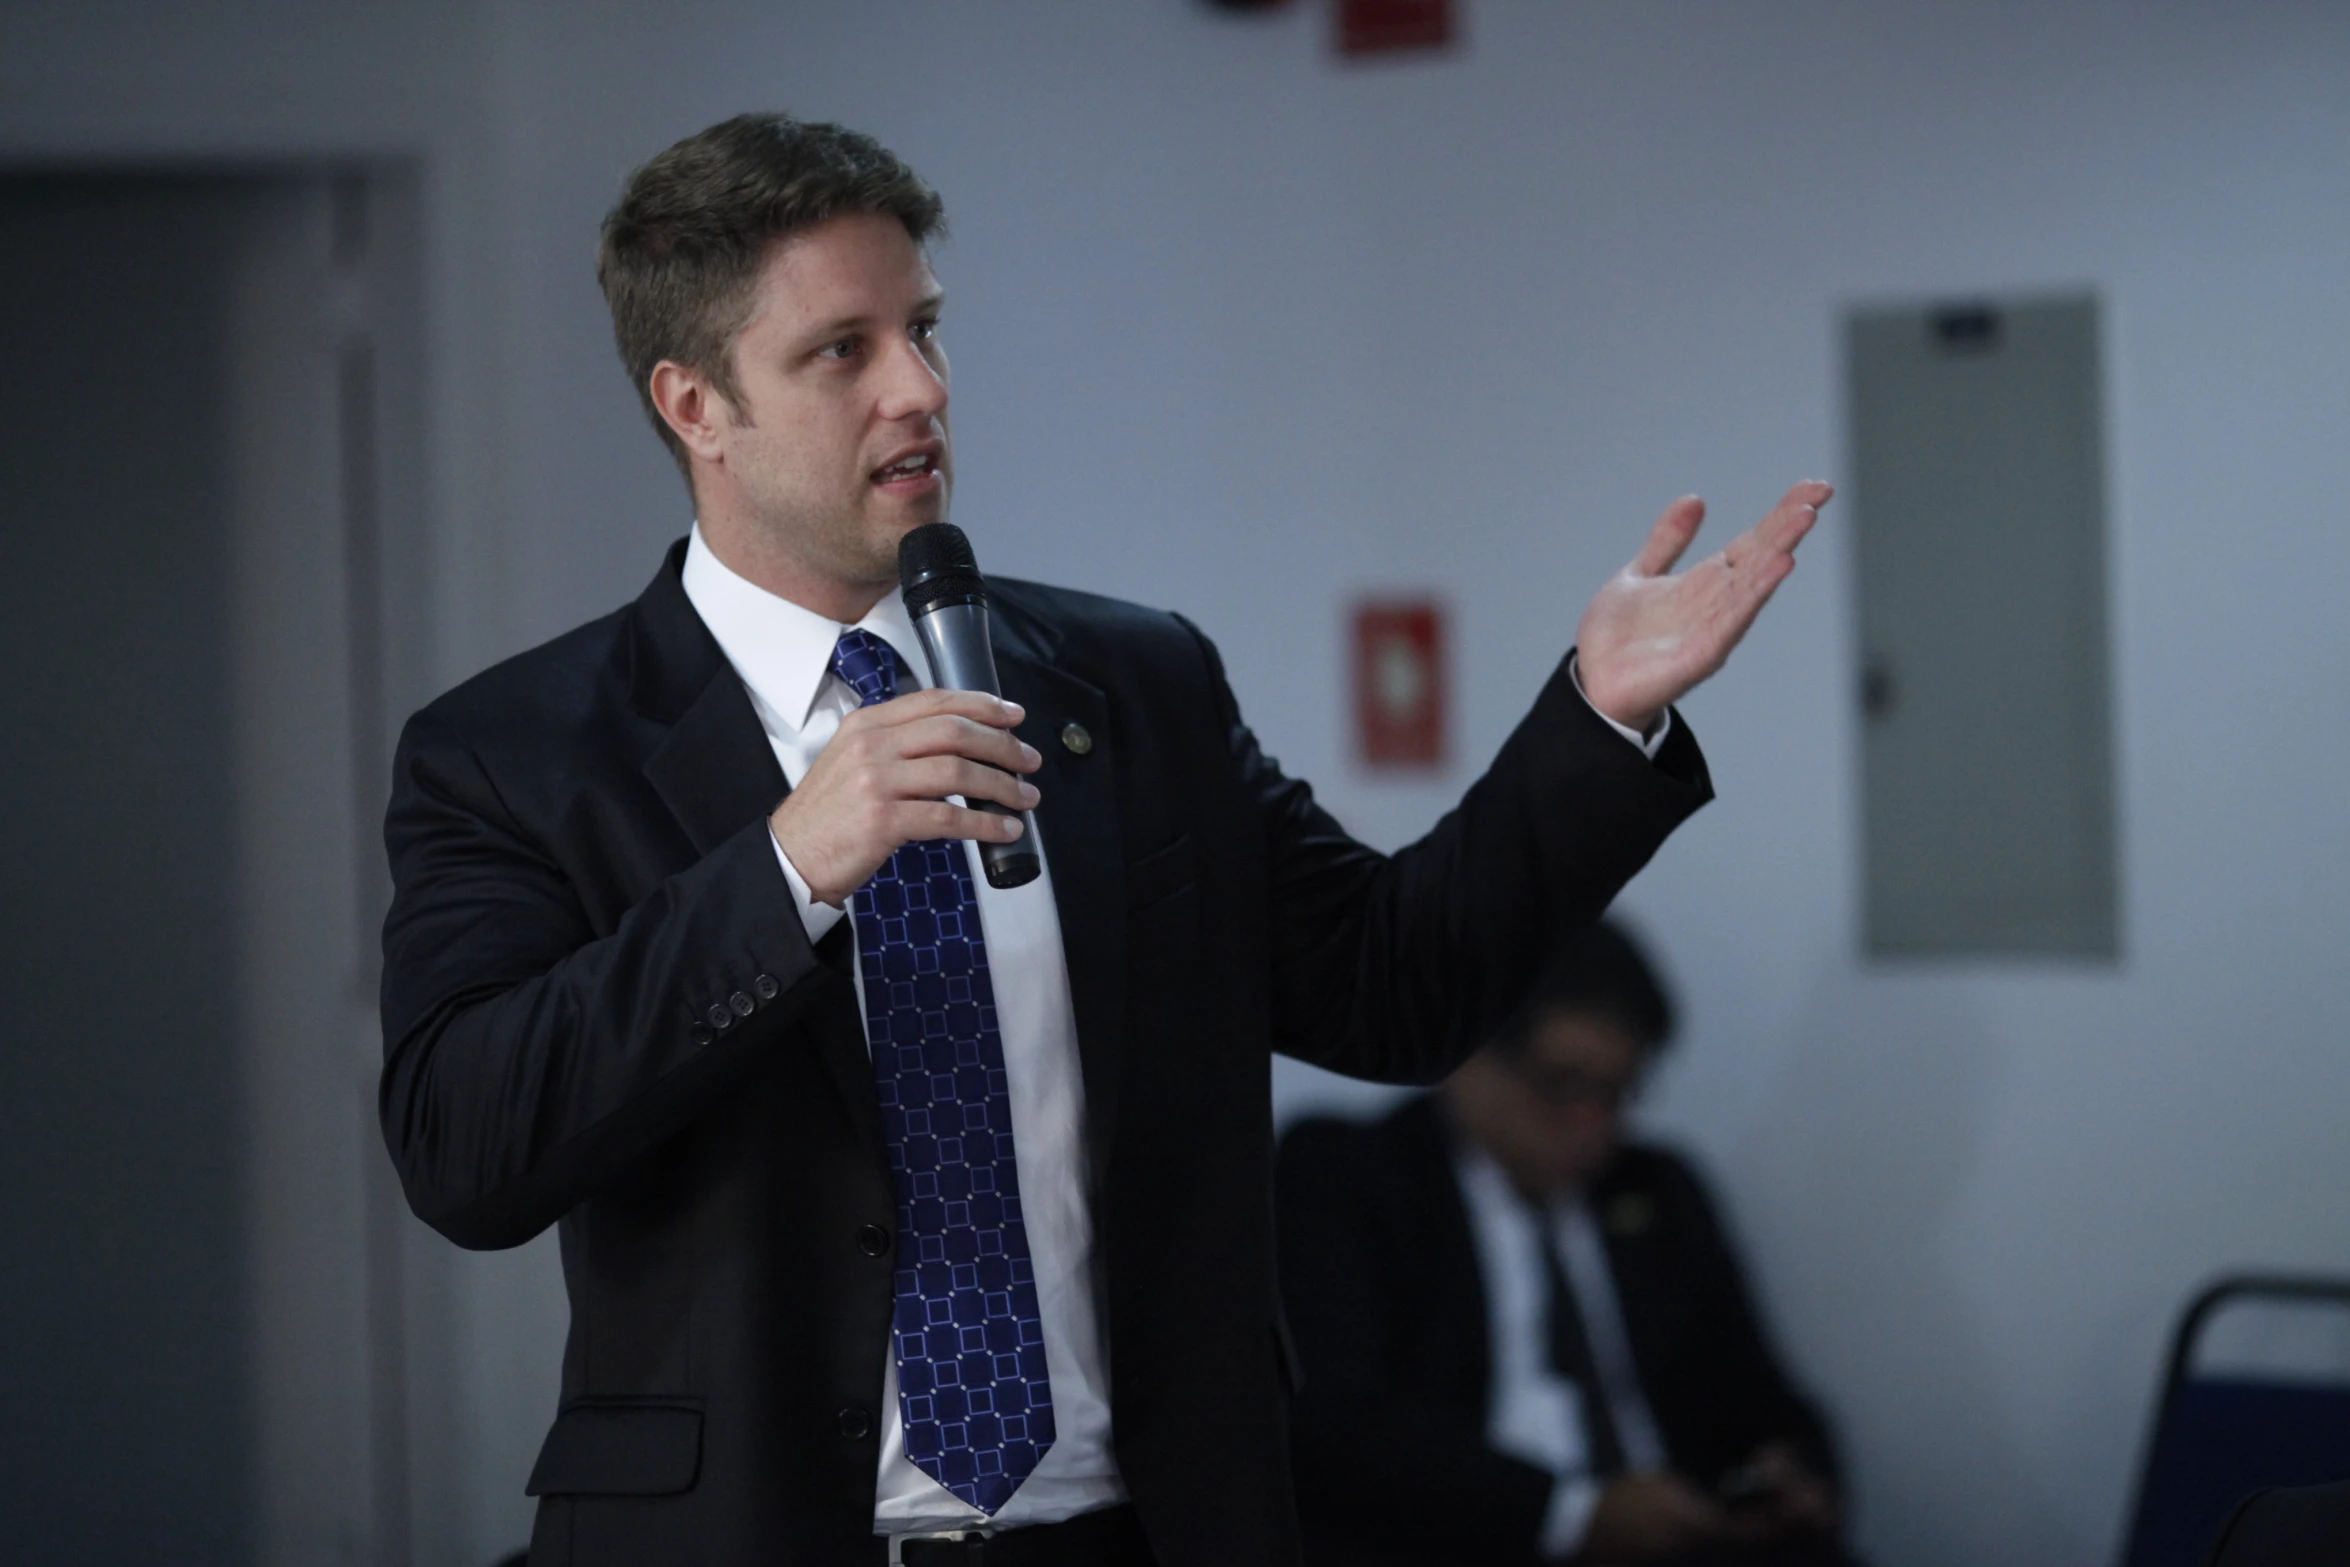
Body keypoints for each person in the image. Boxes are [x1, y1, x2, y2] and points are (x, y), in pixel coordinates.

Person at [377, 111, 1827, 1567]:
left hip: (1134, 1530)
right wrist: (786, 867)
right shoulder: (521, 750)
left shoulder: (1129, 684)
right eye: (844, 350)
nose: (920, 390)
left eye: (927, 331)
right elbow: (468, 1146)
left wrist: (1592, 718)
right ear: (695, 403)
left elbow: (1397, 983)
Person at [1276, 920, 1848, 1567]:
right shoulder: (1353, 1176)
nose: (1594, 1125)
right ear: (1466, 1056)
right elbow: (1335, 1427)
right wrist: (1571, 1515)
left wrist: (1785, 1474)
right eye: (1564, 1087)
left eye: (1617, 1092)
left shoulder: (1658, 1192)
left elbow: (1761, 1392)